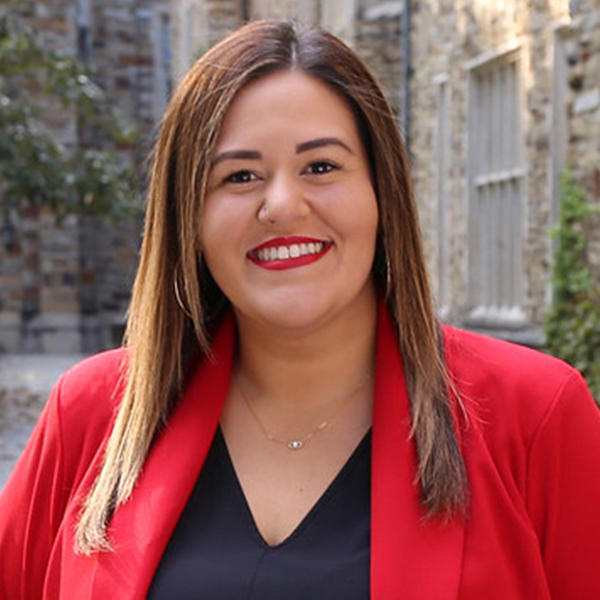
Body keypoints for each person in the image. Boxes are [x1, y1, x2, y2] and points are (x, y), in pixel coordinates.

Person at [1, 19, 599, 600]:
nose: (282, 205)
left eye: (321, 166)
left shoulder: (534, 416)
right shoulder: (92, 415)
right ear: (189, 220)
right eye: (239, 176)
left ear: (381, 194)